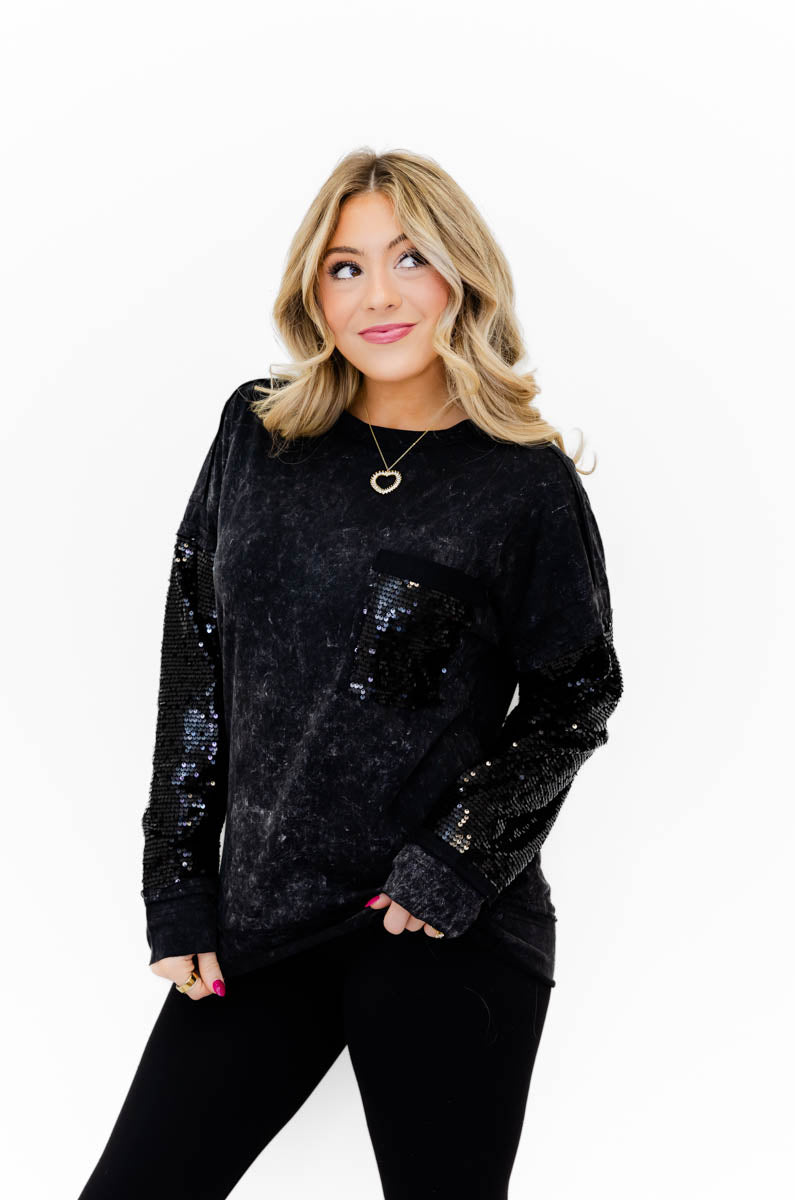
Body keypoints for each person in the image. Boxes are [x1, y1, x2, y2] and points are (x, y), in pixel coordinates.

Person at [77, 148, 624, 1200]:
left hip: (436, 923)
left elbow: (575, 693)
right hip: (262, 920)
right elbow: (196, 654)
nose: (377, 295)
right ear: (312, 291)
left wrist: (453, 863)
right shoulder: (257, 432)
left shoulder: (522, 483)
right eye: (345, 266)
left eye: (409, 258)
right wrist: (177, 888)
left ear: (461, 274)